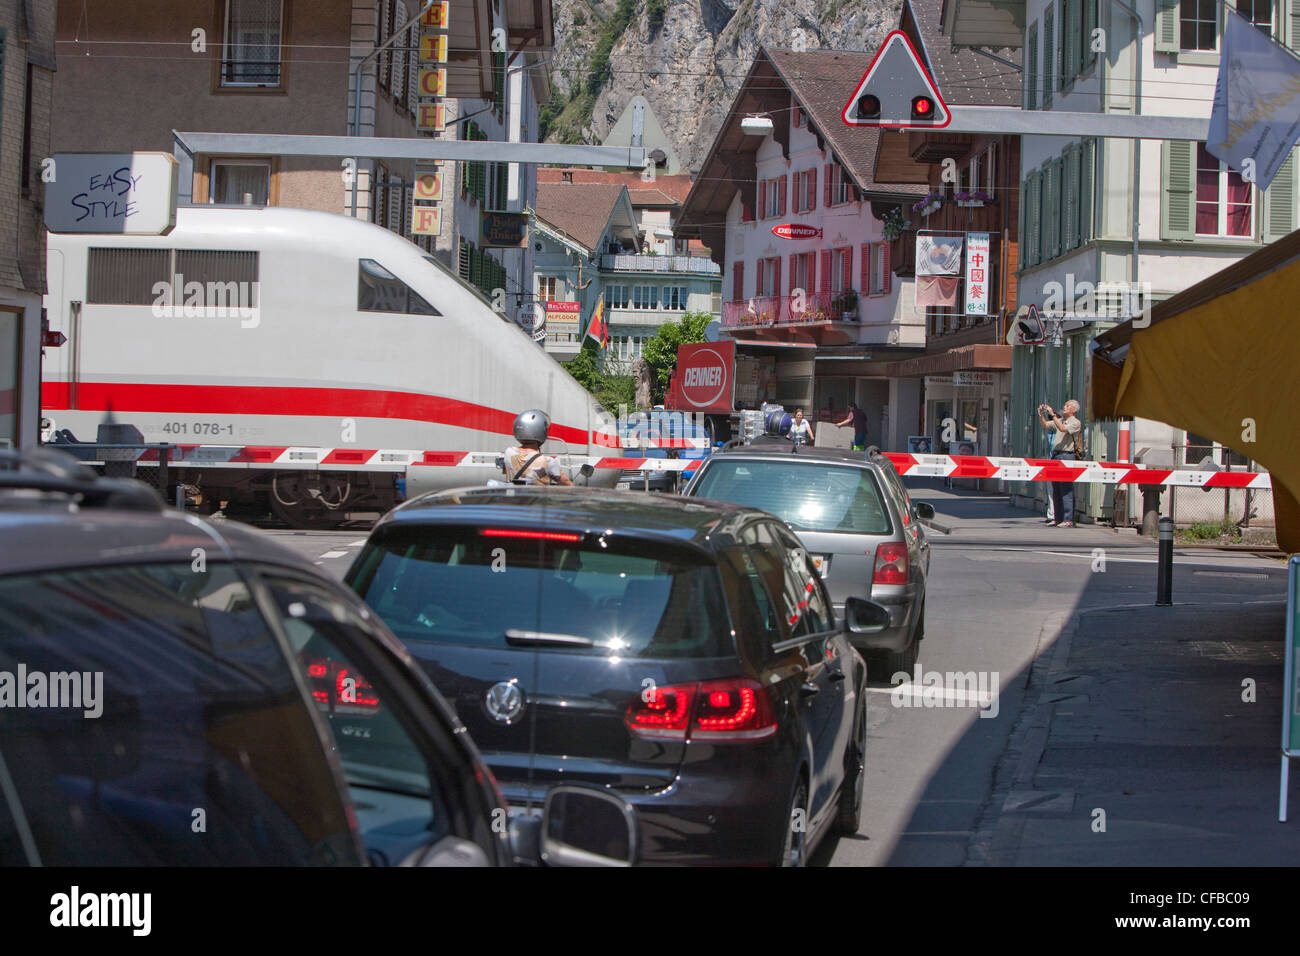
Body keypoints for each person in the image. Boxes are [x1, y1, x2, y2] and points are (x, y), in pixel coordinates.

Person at [1039, 399, 1083, 527]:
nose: (1064, 407)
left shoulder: (1075, 423)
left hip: (1067, 456)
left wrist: (1053, 414)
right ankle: (1058, 517)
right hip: (1056, 454)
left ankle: (1068, 519)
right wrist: (1041, 414)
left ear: (1074, 410)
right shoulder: (1061, 420)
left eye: (1067, 406)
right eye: (1064, 405)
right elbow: (1046, 425)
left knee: (1066, 488)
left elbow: (1063, 429)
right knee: (1056, 488)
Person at [502, 409, 574, 486]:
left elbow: (507, 471)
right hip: (537, 497)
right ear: (541, 431)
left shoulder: (508, 452)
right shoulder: (548, 462)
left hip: (514, 496)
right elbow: (568, 485)